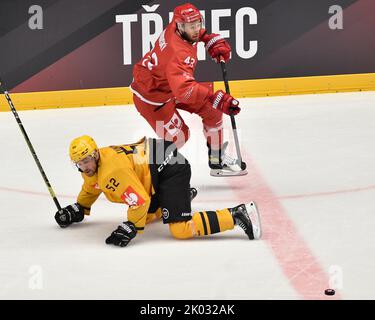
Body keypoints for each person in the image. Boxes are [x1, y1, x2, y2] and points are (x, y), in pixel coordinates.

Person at [54, 135, 262, 247]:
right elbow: (92, 186)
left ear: (95, 154)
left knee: (180, 229)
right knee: (149, 216)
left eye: (86, 160)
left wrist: (131, 226)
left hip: (170, 167)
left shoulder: (111, 172)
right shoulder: (94, 167)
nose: (84, 166)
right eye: (79, 163)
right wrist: (79, 207)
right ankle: (174, 198)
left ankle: (237, 215)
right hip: (156, 161)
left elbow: (139, 201)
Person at [130, 2, 247, 177]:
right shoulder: (179, 54)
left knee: (212, 109)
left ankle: (217, 159)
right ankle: (139, 167)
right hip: (152, 98)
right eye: (191, 27)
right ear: (179, 25)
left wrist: (206, 38)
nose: (195, 29)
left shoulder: (176, 27)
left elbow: (181, 85)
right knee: (179, 136)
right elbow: (184, 91)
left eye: (198, 24)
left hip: (167, 84)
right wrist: (216, 97)